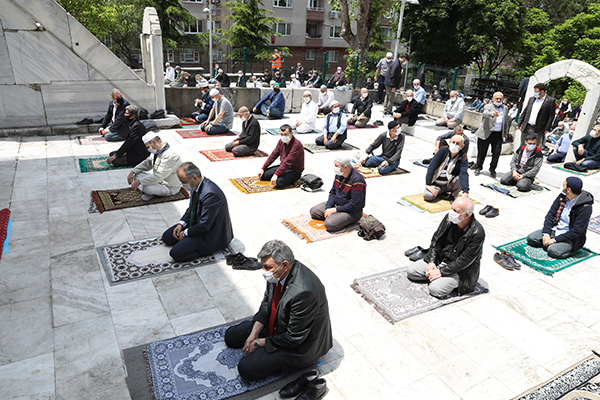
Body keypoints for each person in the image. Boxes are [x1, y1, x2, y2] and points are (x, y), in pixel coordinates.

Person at [224, 240, 332, 381]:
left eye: (267, 267)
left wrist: (259, 343)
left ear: (285, 265)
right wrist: (254, 334)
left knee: (246, 368)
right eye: (262, 266)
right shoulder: (277, 273)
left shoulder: (304, 292)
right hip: (278, 324)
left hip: (300, 345)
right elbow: (266, 303)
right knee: (230, 336)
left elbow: (293, 338)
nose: (264, 271)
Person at [406, 197, 484, 298]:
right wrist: (432, 262)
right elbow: (436, 240)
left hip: (460, 271)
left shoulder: (477, 232)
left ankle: (440, 279)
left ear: (466, 215)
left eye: (456, 211)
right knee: (411, 271)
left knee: (435, 290)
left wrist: (440, 272)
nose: (452, 213)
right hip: (441, 260)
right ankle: (435, 276)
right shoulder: (448, 219)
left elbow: (465, 260)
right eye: (452, 209)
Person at [162, 162, 233, 262]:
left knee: (176, 254)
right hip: (196, 224)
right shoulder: (195, 185)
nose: (183, 185)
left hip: (209, 234)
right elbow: (191, 209)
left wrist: (186, 233)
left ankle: (204, 251)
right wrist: (181, 224)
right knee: (167, 237)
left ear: (194, 177)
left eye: (184, 182)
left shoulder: (211, 194)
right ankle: (188, 242)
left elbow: (205, 225)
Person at [527, 177, 593, 259]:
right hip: (555, 230)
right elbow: (550, 214)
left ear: (568, 190)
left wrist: (554, 240)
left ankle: (568, 249)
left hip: (570, 237)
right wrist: (546, 233)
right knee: (531, 238)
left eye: (564, 185)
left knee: (553, 251)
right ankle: (551, 243)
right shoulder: (563, 196)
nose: (562, 186)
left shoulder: (585, 207)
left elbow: (577, 230)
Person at [310, 155, 366, 232]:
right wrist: (328, 207)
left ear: (345, 167)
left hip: (351, 211)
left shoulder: (357, 180)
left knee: (329, 224)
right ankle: (335, 216)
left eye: (337, 166)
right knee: (314, 211)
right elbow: (333, 192)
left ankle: (340, 219)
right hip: (337, 204)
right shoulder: (339, 175)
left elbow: (355, 204)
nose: (335, 168)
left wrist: (335, 210)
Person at [129, 134, 182, 201]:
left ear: (154, 142)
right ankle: (151, 191)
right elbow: (147, 163)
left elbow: (158, 176)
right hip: (159, 181)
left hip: (169, 187)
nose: (148, 149)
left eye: (148, 147)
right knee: (137, 175)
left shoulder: (170, 156)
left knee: (147, 188)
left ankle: (149, 191)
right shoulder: (157, 150)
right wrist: (133, 171)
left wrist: (139, 181)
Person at [473, 91, 512, 178]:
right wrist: (492, 114)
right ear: (493, 99)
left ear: (503, 99)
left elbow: (506, 122)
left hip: (498, 134)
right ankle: (478, 166)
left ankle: (492, 169)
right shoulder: (488, 106)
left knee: (496, 152)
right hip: (486, 132)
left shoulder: (505, 108)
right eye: (497, 98)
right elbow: (484, 113)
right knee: (482, 151)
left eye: (500, 99)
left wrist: (505, 133)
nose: (498, 100)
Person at [424, 135, 469, 203]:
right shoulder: (442, 150)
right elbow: (432, 167)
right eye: (453, 142)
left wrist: (465, 191)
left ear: (462, 146)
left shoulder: (463, 157)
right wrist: (428, 185)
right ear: (450, 142)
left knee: (460, 178)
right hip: (436, 184)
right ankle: (440, 192)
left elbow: (464, 173)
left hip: (449, 184)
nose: (455, 145)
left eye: (457, 143)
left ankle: (453, 195)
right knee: (428, 196)